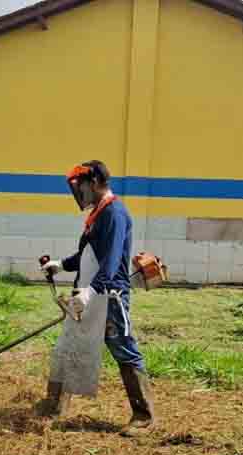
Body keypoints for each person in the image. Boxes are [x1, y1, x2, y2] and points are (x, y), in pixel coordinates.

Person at [37, 160, 156, 437]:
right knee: (68, 345)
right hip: (89, 294)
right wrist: (61, 264)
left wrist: (91, 291)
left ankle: (144, 416)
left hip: (109, 297)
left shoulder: (114, 213)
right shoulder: (98, 214)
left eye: (80, 186)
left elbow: (112, 261)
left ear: (94, 183)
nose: (78, 193)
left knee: (123, 349)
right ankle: (55, 405)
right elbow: (88, 255)